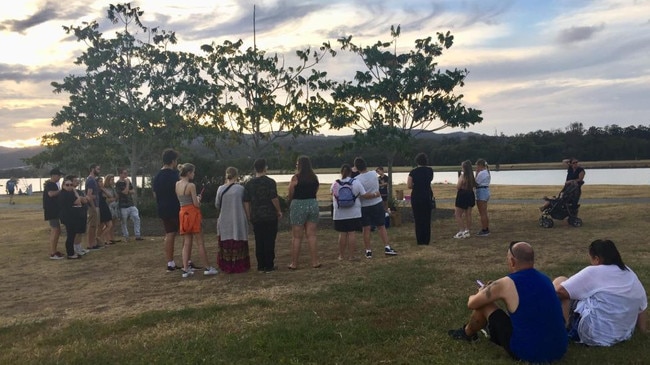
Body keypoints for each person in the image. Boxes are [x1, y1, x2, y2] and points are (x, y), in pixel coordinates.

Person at [448, 241, 568, 363]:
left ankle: (467, 333)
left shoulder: (507, 283)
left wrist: (479, 293)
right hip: (559, 348)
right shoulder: (545, 279)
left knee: (485, 305)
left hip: (529, 353)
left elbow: (472, 304)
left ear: (512, 261)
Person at [553, 239, 647, 346]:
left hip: (594, 335)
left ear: (596, 259)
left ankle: (561, 330)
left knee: (560, 282)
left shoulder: (594, 271)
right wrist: (643, 331)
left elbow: (560, 292)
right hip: (622, 334)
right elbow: (642, 306)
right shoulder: (629, 273)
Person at [176, 163, 218, 278]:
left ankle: (185, 269)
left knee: (187, 242)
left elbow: (181, 200)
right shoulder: (191, 186)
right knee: (200, 242)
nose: (194, 174)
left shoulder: (177, 184)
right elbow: (196, 204)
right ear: (189, 173)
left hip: (183, 214)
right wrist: (199, 199)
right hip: (193, 215)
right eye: (193, 172)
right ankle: (207, 267)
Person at [243, 158, 282, 273]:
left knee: (259, 240)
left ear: (255, 168)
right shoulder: (270, 182)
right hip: (270, 215)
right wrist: (279, 210)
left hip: (256, 215)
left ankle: (261, 265)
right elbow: (273, 198)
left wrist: (248, 215)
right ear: (265, 168)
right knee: (270, 240)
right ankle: (269, 265)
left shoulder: (249, 184)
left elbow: (246, 201)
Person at [354, 157, 397, 258]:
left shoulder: (356, 180)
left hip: (364, 205)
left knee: (366, 228)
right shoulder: (373, 174)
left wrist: (353, 171)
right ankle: (387, 247)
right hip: (377, 203)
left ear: (357, 168)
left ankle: (368, 250)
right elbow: (378, 173)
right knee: (381, 226)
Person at [332, 164, 376, 261]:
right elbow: (364, 195)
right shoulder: (355, 182)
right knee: (352, 233)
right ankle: (351, 256)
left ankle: (341, 255)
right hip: (353, 212)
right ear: (350, 172)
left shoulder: (335, 183)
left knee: (342, 234)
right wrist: (375, 194)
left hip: (339, 213)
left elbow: (332, 193)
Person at [287, 155, 321, 269]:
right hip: (312, 204)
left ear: (300, 165)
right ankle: (315, 261)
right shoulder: (314, 177)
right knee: (312, 235)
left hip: (298, 204)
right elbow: (315, 191)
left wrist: (291, 200)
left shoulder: (295, 178)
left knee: (297, 236)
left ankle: (294, 263)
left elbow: (290, 192)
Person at [152, 148, 183, 272]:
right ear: (173, 161)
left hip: (163, 208)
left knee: (169, 234)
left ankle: (170, 262)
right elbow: (180, 192)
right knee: (186, 234)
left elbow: (155, 194)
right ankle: (188, 260)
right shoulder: (175, 175)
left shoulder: (157, 177)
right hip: (176, 208)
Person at [215, 167, 250, 273]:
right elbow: (245, 203)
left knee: (225, 241)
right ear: (236, 176)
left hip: (224, 220)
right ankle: (239, 265)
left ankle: (226, 264)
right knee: (238, 240)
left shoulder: (220, 189)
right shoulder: (240, 189)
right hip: (237, 218)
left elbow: (217, 205)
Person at [58, 176, 88, 259]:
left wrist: (75, 193)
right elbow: (78, 201)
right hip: (68, 217)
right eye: (67, 185)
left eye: (71, 185)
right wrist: (77, 195)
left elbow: (81, 202)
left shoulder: (70, 193)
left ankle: (72, 252)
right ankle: (70, 253)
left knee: (73, 234)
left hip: (73, 216)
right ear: (63, 185)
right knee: (70, 235)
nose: (69, 186)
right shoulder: (64, 194)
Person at [407, 153, 434, 245]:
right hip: (427, 195)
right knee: (427, 218)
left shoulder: (413, 172)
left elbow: (409, 185)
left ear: (417, 161)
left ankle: (420, 239)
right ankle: (426, 239)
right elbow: (430, 180)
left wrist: (416, 184)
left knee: (418, 218)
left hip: (417, 196)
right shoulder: (430, 170)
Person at [116, 168, 143, 242]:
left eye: (126, 173)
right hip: (123, 205)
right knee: (124, 221)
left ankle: (138, 235)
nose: (126, 175)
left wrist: (128, 189)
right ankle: (126, 236)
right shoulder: (118, 183)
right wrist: (127, 184)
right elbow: (124, 192)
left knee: (136, 218)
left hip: (131, 204)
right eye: (124, 173)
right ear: (120, 174)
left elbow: (133, 191)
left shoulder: (128, 181)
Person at [43, 168, 64, 259]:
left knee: (58, 230)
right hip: (51, 211)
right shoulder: (50, 184)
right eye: (58, 175)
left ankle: (55, 250)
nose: (60, 177)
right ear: (53, 175)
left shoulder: (54, 185)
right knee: (55, 230)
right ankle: (52, 252)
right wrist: (61, 190)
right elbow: (51, 194)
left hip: (55, 210)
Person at [453, 160, 476, 239]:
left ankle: (462, 230)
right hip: (470, 195)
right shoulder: (472, 177)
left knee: (457, 214)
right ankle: (467, 230)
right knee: (468, 214)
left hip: (462, 195)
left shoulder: (463, 176)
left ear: (464, 168)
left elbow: (458, 186)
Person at [85, 164, 102, 249]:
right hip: (92, 206)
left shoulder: (92, 180)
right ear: (92, 169)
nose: (99, 171)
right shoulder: (91, 180)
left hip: (95, 205)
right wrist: (93, 207)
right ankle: (90, 244)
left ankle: (93, 243)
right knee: (92, 225)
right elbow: (89, 195)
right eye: (98, 169)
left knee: (94, 225)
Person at [475, 159, 491, 236]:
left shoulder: (481, 173)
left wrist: (476, 174)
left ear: (480, 165)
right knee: (484, 212)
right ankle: (486, 228)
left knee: (482, 213)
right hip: (486, 191)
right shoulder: (487, 172)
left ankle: (484, 229)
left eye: (477, 166)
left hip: (481, 191)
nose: (476, 167)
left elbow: (476, 183)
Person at [103, 174, 120, 243]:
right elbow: (106, 199)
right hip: (108, 207)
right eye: (111, 180)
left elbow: (116, 197)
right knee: (108, 224)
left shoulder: (113, 188)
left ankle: (112, 238)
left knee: (113, 224)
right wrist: (112, 199)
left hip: (115, 206)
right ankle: (106, 239)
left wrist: (114, 198)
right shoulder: (105, 189)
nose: (113, 181)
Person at [96, 176, 114, 245]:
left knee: (109, 224)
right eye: (100, 181)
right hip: (100, 208)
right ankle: (99, 237)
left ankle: (100, 237)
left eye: (102, 181)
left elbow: (110, 195)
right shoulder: (96, 190)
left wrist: (103, 189)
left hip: (105, 207)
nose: (101, 183)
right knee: (102, 225)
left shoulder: (102, 190)